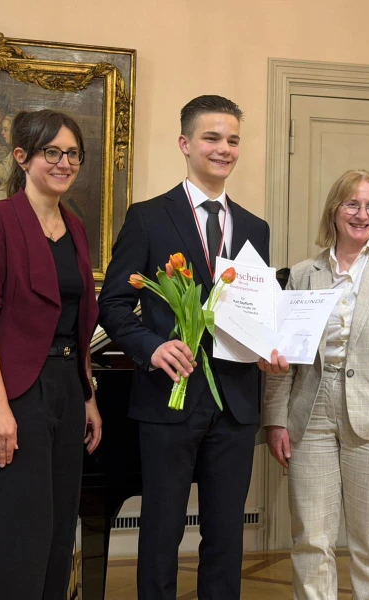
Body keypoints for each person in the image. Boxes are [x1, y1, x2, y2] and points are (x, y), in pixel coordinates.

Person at [98, 95, 278, 600]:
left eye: (233, 140)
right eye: (212, 138)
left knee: (225, 535)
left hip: (237, 401)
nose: (224, 149)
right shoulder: (148, 217)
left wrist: (270, 343)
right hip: (167, 397)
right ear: (185, 143)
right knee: (160, 533)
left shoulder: (255, 228)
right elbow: (112, 305)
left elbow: (252, 309)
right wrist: (151, 347)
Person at [261, 169, 369, 599]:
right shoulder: (303, 274)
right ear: (334, 211)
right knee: (311, 540)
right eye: (352, 204)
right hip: (310, 414)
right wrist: (275, 420)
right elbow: (288, 358)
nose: (362, 213)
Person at [0, 109, 102, 599]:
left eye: (73, 154)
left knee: (59, 530)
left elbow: (78, 319)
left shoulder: (76, 228)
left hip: (65, 386)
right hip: (14, 391)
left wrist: (87, 394)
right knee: (14, 531)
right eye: (52, 153)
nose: (64, 163)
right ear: (22, 158)